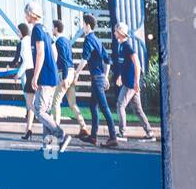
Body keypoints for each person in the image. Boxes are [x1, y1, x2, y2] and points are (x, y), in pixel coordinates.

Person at [24, 3, 69, 152]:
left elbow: (41, 53)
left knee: (38, 111)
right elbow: (54, 52)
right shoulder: (44, 30)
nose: (25, 16)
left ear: (31, 14)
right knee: (45, 112)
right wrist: (52, 68)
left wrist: (35, 76)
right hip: (52, 75)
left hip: (45, 77)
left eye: (26, 13)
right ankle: (48, 146)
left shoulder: (36, 29)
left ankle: (60, 133)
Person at [111, 22, 154, 140]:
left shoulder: (126, 46)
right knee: (138, 110)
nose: (114, 33)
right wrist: (120, 76)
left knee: (120, 105)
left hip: (130, 83)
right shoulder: (121, 45)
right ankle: (150, 133)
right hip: (128, 82)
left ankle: (122, 133)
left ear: (120, 32)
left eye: (115, 31)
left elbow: (137, 63)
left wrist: (136, 82)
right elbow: (123, 64)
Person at [81, 14, 118, 147]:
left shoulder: (89, 40)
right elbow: (108, 61)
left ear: (88, 25)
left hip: (96, 79)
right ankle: (93, 137)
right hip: (99, 78)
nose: (82, 27)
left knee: (104, 108)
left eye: (83, 24)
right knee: (93, 106)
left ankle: (113, 137)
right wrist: (106, 77)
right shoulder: (97, 40)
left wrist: (76, 73)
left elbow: (85, 59)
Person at [50, 19, 87, 138]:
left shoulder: (59, 41)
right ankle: (83, 127)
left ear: (56, 28)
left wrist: (64, 77)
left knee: (55, 102)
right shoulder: (66, 40)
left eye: (52, 28)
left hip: (65, 73)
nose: (52, 30)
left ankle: (56, 130)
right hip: (71, 72)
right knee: (72, 104)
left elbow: (64, 60)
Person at [12, 22, 34, 139]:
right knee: (31, 105)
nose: (17, 33)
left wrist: (18, 74)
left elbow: (25, 62)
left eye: (18, 31)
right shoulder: (30, 40)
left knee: (34, 106)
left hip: (30, 73)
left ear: (22, 31)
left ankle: (57, 131)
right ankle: (28, 130)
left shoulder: (24, 42)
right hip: (34, 72)